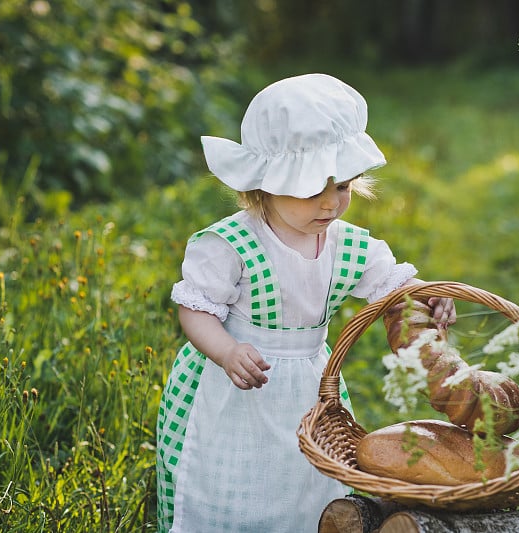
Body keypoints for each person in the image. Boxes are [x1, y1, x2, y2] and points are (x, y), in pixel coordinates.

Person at [155, 73, 455, 532]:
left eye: (342, 187)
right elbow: (196, 310)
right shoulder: (231, 243)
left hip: (311, 389)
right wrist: (226, 350)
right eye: (311, 190)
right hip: (236, 387)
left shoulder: (349, 244)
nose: (330, 204)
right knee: (231, 485)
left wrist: (428, 299)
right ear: (266, 183)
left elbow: (394, 292)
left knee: (308, 487)